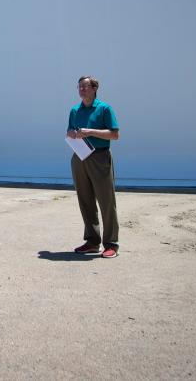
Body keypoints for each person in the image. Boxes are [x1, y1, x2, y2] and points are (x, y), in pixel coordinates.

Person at [67, 76, 121, 258]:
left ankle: (111, 244)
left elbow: (114, 134)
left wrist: (90, 132)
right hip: (79, 157)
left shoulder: (105, 109)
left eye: (85, 86)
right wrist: (73, 133)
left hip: (99, 156)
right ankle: (92, 241)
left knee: (106, 202)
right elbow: (69, 130)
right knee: (85, 200)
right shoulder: (75, 110)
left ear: (95, 88)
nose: (82, 89)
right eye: (79, 87)